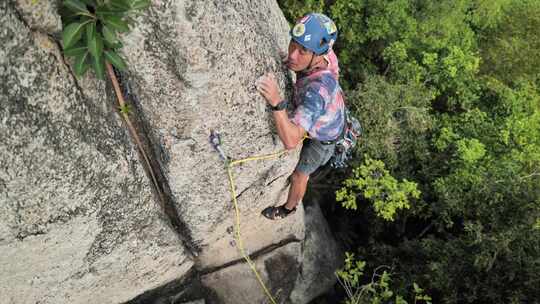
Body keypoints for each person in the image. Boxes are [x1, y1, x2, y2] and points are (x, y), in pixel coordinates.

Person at [256, 13, 345, 220]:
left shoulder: (317, 93)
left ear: (316, 55)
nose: (293, 55)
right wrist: (296, 61)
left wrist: (277, 102)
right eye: (292, 45)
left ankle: (287, 209)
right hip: (329, 116)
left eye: (302, 51)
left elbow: (290, 140)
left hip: (323, 140)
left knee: (299, 175)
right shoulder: (327, 55)